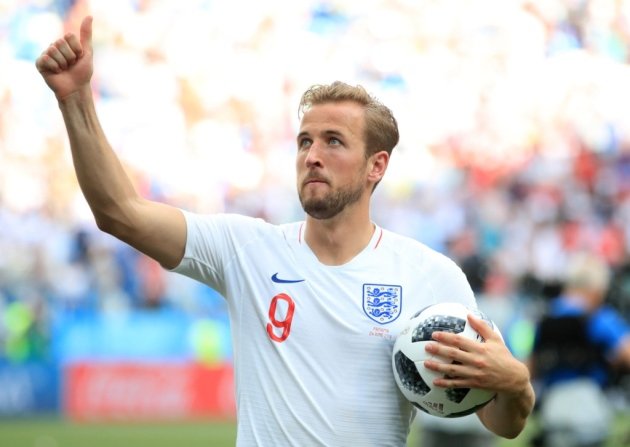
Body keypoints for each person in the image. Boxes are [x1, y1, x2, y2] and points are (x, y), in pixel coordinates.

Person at [36, 16, 535, 446]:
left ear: (376, 166)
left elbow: (503, 423)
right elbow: (119, 212)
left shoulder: (430, 276)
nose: (312, 155)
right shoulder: (246, 249)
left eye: (333, 141)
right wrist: (75, 99)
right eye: (304, 141)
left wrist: (514, 383)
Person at [529, 252, 630, 447]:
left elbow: (529, 367)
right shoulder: (599, 317)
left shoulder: (543, 316)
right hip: (589, 410)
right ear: (596, 289)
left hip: (553, 410)